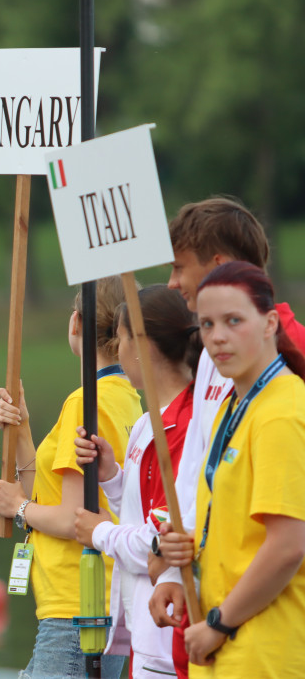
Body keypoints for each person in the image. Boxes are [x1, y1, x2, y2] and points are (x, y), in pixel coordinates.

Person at [150, 197, 305, 677]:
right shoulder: (235, 398)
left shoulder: (282, 404)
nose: (217, 338)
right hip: (224, 651)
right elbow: (227, 517)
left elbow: (288, 542)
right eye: (207, 326)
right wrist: (183, 568)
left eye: (233, 322)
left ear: (269, 325)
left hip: (265, 647)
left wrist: (220, 621)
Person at [0, 276, 143, 679]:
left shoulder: (85, 402)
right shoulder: (131, 399)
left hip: (78, 605)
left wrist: (17, 507)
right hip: (100, 603)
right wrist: (22, 429)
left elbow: (73, 518)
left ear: (76, 322)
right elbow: (52, 489)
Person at [72, 285, 199, 677]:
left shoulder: (187, 427)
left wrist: (100, 534)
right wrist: (112, 477)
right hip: (141, 631)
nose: (118, 348)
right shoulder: (149, 423)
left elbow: (160, 540)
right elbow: (145, 507)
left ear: (142, 347)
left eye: (123, 337)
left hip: (168, 633)